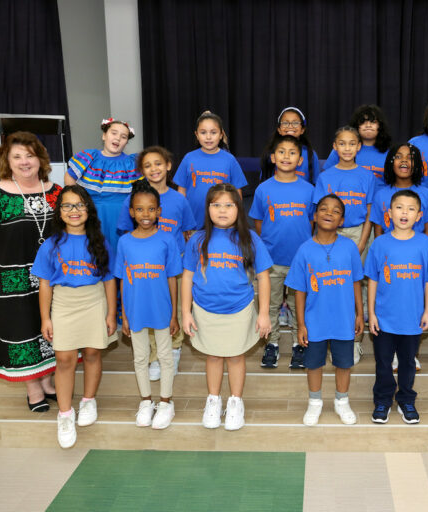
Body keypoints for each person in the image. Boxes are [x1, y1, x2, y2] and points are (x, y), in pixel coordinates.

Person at [0, 131, 61, 411]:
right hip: (11, 283)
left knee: (49, 332)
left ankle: (47, 381)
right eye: (17, 157)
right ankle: (33, 389)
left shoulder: (56, 192)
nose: (25, 162)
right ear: (7, 162)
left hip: (53, 281)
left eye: (30, 155)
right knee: (22, 333)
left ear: (41, 158)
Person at [182, 184, 273, 431]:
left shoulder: (250, 238)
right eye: (216, 205)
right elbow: (188, 276)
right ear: (208, 208)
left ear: (238, 208)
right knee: (212, 356)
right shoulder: (198, 240)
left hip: (239, 309)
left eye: (229, 205)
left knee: (235, 356)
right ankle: (213, 400)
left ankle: (235, 402)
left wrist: (264, 314)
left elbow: (264, 277)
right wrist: (186, 312)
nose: (222, 211)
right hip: (205, 309)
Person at [31, 186, 116, 448]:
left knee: (92, 353)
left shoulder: (100, 242)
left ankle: (89, 400)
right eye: (67, 206)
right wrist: (46, 318)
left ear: (89, 210)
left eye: (79, 205)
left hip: (94, 302)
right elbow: (45, 284)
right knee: (65, 358)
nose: (74, 211)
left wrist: (111, 312)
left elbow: (110, 280)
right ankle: (65, 414)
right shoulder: (52, 245)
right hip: (65, 304)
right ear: (59, 212)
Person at [117, 146, 196, 380]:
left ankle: (173, 350)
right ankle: (153, 357)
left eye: (158, 163)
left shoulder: (179, 199)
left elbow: (189, 231)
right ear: (141, 170)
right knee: (149, 309)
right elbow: (125, 232)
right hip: (145, 269)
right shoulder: (132, 200)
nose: (154, 169)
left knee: (176, 309)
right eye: (148, 165)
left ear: (168, 166)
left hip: (175, 265)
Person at [285, 194, 364, 425]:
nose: (329, 213)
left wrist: (360, 313)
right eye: (324, 209)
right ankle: (315, 402)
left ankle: (342, 401)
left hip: (343, 319)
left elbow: (356, 282)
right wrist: (300, 324)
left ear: (341, 221)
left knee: (344, 363)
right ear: (314, 215)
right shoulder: (304, 250)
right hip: (315, 320)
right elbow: (299, 290)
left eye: (336, 211)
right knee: (314, 364)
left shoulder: (349, 247)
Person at [365, 189, 428, 424]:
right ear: (389, 213)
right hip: (385, 318)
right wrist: (371, 313)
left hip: (412, 318)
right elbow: (372, 280)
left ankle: (406, 399)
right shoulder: (379, 244)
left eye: (411, 209)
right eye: (399, 207)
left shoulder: (424, 244)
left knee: (408, 363)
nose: (404, 213)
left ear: (419, 215)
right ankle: (382, 400)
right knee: (383, 363)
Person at [116, 180, 183, 430]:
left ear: (159, 211)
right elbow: (123, 280)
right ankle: (146, 401)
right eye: (140, 209)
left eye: (151, 209)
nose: (146, 214)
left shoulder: (167, 241)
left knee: (166, 357)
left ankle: (166, 402)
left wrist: (174, 314)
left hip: (162, 310)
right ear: (132, 212)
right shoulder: (124, 242)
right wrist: (125, 313)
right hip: (135, 310)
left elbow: (172, 279)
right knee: (140, 357)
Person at [249, 135, 315, 369]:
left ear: (300, 160)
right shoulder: (263, 189)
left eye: (292, 152)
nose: (286, 156)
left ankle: (300, 344)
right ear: (273, 157)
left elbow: (311, 224)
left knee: (299, 306)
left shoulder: (309, 190)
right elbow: (259, 224)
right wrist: (266, 250)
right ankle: (272, 344)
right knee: (271, 305)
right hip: (272, 261)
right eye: (281, 152)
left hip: (300, 261)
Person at [314, 126, 375, 363]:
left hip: (359, 233)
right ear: (334, 147)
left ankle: (354, 341)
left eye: (352, 144)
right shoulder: (325, 176)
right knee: (333, 284)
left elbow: (370, 213)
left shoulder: (367, 176)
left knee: (355, 286)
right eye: (342, 143)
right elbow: (319, 213)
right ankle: (331, 337)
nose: (347, 148)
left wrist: (361, 242)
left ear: (359, 147)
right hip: (331, 234)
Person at [65, 118, 139, 259]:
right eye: (114, 133)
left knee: (120, 255)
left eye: (123, 137)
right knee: (94, 252)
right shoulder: (89, 157)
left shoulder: (132, 163)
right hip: (93, 212)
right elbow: (69, 176)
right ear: (104, 135)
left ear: (126, 142)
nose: (118, 138)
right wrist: (76, 203)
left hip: (121, 214)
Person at [173, 111, 247, 228]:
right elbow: (181, 191)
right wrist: (182, 218)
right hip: (193, 222)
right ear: (196, 135)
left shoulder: (229, 159)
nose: (208, 137)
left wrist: (237, 218)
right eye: (203, 132)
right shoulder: (189, 158)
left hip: (222, 224)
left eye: (213, 132)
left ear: (221, 134)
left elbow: (237, 192)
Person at [370, 143, 428, 237]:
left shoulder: (427, 194)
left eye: (410, 158)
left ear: (416, 163)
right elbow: (378, 233)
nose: (404, 160)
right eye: (398, 157)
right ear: (390, 162)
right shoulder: (380, 195)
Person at [323, 104, 393, 183]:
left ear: (380, 126)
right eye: (363, 122)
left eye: (373, 122)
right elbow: (327, 178)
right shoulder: (342, 150)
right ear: (356, 126)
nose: (368, 125)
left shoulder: (390, 153)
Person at [260, 107, 321, 183]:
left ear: (302, 130)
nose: (290, 126)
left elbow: (316, 183)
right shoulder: (270, 153)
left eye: (295, 123)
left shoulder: (310, 154)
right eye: (285, 123)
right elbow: (264, 182)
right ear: (279, 130)